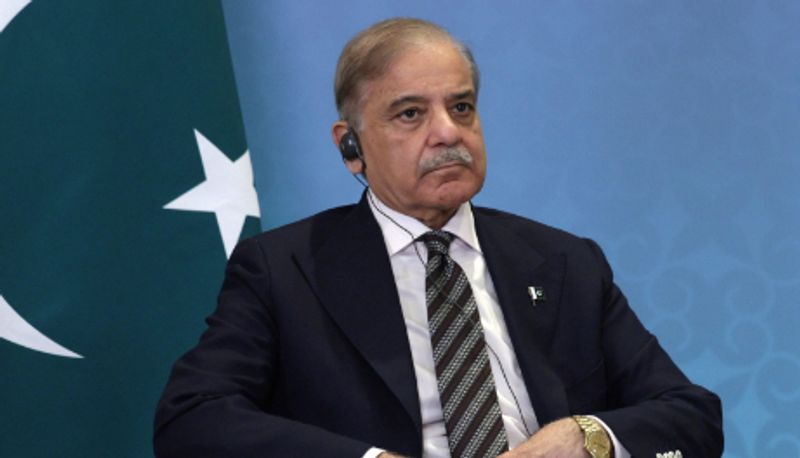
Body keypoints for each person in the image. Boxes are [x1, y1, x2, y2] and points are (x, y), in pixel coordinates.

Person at [154, 18, 723, 458]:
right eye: (410, 114)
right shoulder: (283, 270)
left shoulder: (564, 260)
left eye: (462, 107)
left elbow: (691, 415)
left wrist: (586, 436)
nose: (448, 132)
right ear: (350, 147)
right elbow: (192, 418)